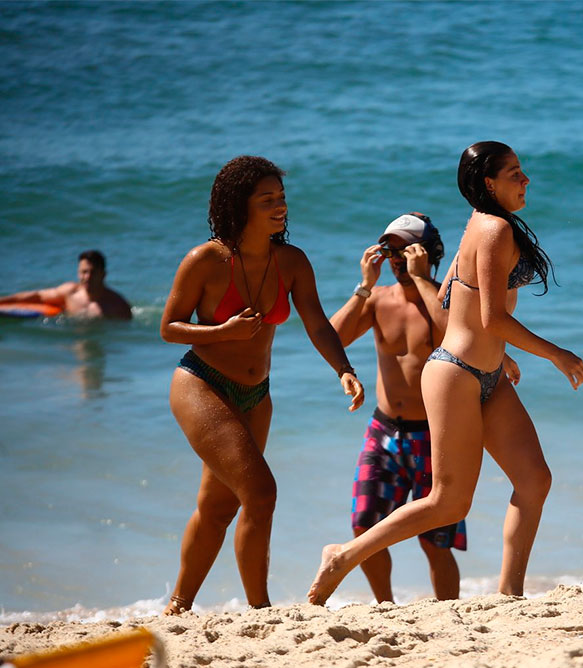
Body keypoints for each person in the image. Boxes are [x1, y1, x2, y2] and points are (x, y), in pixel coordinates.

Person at [308, 141, 583, 605]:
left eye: (522, 171)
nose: (526, 180)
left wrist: (498, 353)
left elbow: (449, 298)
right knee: (448, 502)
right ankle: (343, 555)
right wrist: (555, 353)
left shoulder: (479, 223)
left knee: (535, 480)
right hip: (456, 374)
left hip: (488, 375)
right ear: (488, 183)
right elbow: (491, 317)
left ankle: (509, 594)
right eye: (515, 173)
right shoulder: (494, 228)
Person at [160, 155, 364, 614]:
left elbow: (317, 323)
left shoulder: (290, 261)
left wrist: (344, 369)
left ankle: (178, 606)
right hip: (201, 383)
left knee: (218, 506)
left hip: (256, 395)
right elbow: (169, 327)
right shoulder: (206, 260)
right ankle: (261, 610)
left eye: (282, 198)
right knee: (261, 493)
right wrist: (220, 332)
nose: (280, 207)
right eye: (267, 200)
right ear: (239, 206)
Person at [329, 212, 468, 602]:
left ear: (427, 253)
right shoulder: (377, 300)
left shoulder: (444, 299)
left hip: (434, 434)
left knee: (436, 541)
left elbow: (455, 332)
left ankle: (447, 613)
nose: (397, 259)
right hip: (384, 429)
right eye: (390, 249)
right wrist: (363, 286)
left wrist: (422, 278)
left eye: (406, 249)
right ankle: (386, 607)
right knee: (363, 525)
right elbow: (331, 338)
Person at [0, 250, 132, 320]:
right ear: (78, 273)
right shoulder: (70, 293)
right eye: (83, 272)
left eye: (93, 273)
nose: (87, 277)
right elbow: (36, 296)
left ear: (103, 274)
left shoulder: (118, 306)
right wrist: (3, 300)